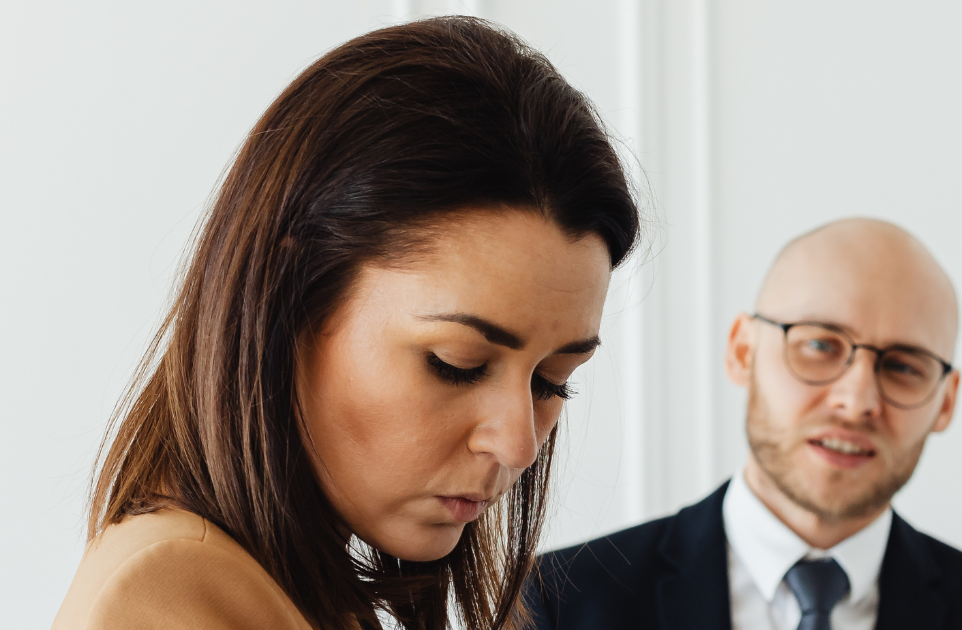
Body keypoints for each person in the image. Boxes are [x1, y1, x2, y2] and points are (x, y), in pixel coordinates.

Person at [52, 17, 639, 630]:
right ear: (287, 300)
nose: (518, 444)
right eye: (456, 364)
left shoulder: (284, 590)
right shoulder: (170, 591)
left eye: (552, 381)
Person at [526, 219, 962, 630]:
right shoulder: (559, 601)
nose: (856, 402)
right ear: (743, 351)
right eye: (818, 345)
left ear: (946, 402)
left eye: (903, 366)